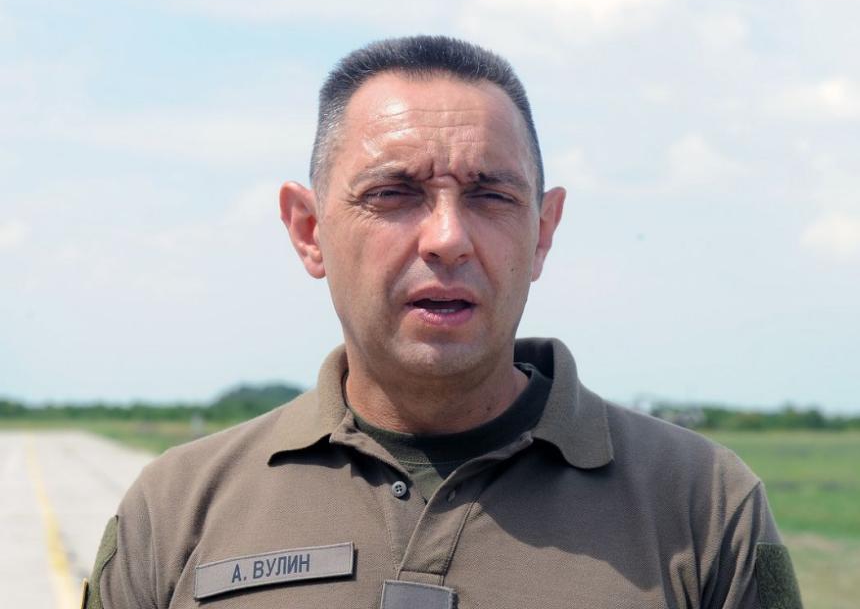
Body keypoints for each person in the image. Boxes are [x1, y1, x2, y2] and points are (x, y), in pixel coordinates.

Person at [83, 36, 802, 609]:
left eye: (491, 196)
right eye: (393, 193)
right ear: (308, 230)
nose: (448, 239)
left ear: (543, 232)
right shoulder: (177, 509)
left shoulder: (704, 506)